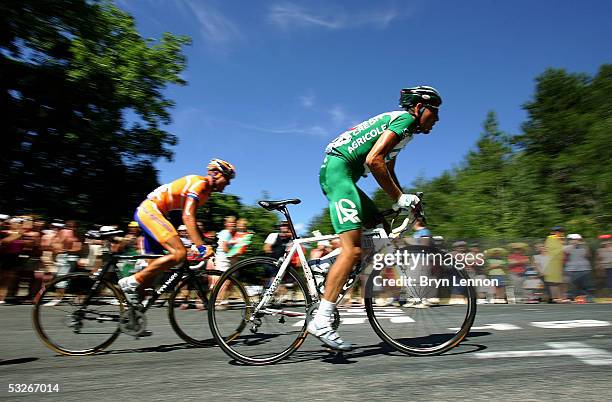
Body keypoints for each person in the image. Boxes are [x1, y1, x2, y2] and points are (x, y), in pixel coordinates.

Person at [309, 86, 442, 350]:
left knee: (379, 228)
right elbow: (374, 160)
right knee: (353, 250)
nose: (436, 119)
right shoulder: (405, 120)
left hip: (343, 174)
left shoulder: (404, 132)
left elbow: (387, 167)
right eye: (434, 112)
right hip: (339, 174)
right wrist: (399, 198)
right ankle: (321, 319)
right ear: (419, 108)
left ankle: (329, 266)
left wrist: (402, 198)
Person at [118, 159, 236, 304]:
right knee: (179, 253)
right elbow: (187, 216)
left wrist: (205, 241)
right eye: (227, 178)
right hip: (151, 211)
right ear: (216, 174)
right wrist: (200, 247)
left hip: (154, 213)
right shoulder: (201, 184)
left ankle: (132, 318)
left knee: (151, 274)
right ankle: (129, 282)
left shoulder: (206, 193)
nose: (228, 183)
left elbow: (192, 219)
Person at [564, 234, 594, 302]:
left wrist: (585, 246)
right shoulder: (566, 247)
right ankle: (574, 298)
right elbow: (566, 252)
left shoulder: (584, 247)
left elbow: (588, 255)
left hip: (584, 269)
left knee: (586, 285)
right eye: (573, 240)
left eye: (576, 240)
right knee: (573, 286)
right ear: (570, 240)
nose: (575, 241)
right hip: (571, 270)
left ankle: (589, 298)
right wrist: (573, 245)